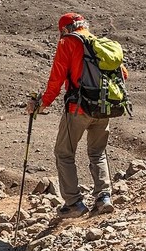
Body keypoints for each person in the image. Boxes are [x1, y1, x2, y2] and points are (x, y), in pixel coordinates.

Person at [27, 12, 115, 218]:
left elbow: (56, 80)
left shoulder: (68, 42)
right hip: (104, 108)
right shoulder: (100, 44)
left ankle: (74, 203)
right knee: (97, 152)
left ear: (65, 29)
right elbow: (123, 74)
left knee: (64, 153)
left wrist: (41, 104)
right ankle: (104, 198)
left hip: (78, 108)